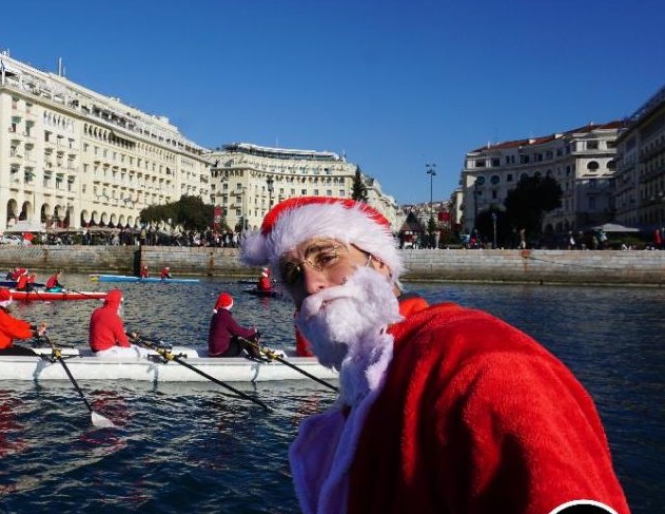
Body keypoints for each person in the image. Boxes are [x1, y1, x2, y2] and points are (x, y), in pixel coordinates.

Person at [239, 196, 628, 514]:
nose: (311, 283)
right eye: (291, 275)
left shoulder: (476, 356)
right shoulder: (374, 375)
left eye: (325, 257)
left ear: (378, 262)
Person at [88, 289, 153, 358]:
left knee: (134, 347)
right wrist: (129, 343)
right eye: (120, 302)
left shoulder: (96, 311)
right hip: (105, 353)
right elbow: (124, 343)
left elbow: (104, 331)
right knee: (141, 351)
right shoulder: (114, 317)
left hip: (94, 351)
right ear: (117, 303)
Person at [0, 287, 46, 356]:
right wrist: (35, 334)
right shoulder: (1, 316)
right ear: (6, 303)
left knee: (29, 352)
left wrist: (33, 327)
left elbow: (15, 322)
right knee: (30, 354)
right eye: (11, 302)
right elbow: (15, 332)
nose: (12, 304)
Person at [207, 293, 261, 358]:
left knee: (241, 336)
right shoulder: (225, 316)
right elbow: (239, 332)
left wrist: (248, 331)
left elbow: (236, 330)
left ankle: (253, 353)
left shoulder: (216, 315)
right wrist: (254, 331)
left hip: (213, 350)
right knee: (253, 335)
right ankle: (256, 355)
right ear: (228, 304)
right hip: (221, 352)